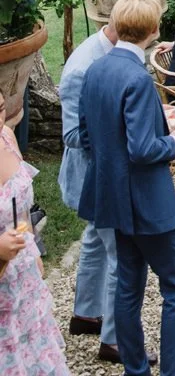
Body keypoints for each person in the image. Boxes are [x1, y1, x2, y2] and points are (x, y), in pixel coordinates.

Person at [79, 0, 175, 376]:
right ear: (153, 29)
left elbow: (88, 135)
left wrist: (158, 115)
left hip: (112, 198)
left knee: (128, 287)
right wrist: (174, 139)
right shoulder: (137, 77)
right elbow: (145, 150)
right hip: (148, 200)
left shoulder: (96, 69)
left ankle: (135, 369)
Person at [58, 13, 123, 361]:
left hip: (101, 173)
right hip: (92, 177)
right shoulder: (82, 67)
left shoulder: (113, 52)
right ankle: (114, 341)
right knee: (120, 253)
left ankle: (84, 315)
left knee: (96, 240)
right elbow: (70, 135)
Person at [0, 89, 70, 375]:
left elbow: (22, 204)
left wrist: (33, 245)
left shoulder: (6, 136)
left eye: (1, 107)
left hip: (22, 276)